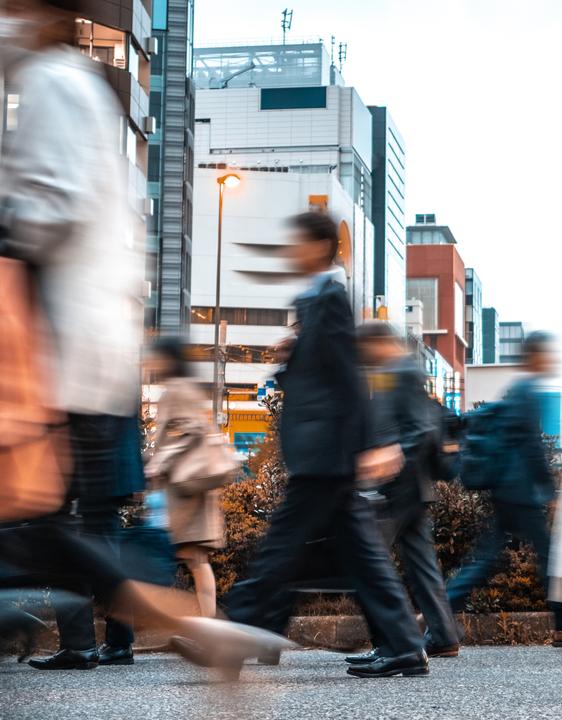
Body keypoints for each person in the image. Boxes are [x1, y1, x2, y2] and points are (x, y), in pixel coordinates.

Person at [0, 0, 287, 672]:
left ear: (38, 15)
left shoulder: (51, 83)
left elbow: (50, 207)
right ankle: (194, 626)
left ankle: (187, 623)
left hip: (56, 348)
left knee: (43, 518)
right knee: (45, 522)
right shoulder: (79, 89)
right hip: (79, 345)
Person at [213, 212, 427, 679]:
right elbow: (325, 372)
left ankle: (234, 633)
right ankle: (404, 644)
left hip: (326, 450)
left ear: (317, 246)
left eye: (295, 243)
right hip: (326, 450)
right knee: (360, 556)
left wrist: (375, 441)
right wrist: (293, 355)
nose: (290, 252)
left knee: (281, 547)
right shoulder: (317, 300)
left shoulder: (327, 298)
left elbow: (348, 377)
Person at [445, 332, 562, 648]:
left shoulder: (517, 389)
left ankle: (441, 610)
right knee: (548, 557)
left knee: (487, 557)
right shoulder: (527, 392)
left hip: (506, 488)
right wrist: (549, 492)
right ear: (536, 356)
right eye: (549, 354)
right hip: (520, 492)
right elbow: (532, 448)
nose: (553, 360)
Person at [343, 321, 462, 666]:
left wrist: (391, 460)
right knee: (421, 565)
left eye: (365, 348)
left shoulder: (403, 370)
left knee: (370, 562)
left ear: (379, 343)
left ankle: (393, 643)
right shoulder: (392, 370)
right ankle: (442, 635)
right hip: (410, 486)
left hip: (399, 486)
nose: (363, 356)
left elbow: (420, 427)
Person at [143, 337, 225, 619]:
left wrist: (159, 462)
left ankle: (208, 626)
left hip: (185, 489)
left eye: (154, 356)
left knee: (194, 559)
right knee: (194, 559)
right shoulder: (183, 388)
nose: (149, 362)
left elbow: (191, 430)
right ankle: (208, 624)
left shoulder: (177, 390)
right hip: (187, 487)